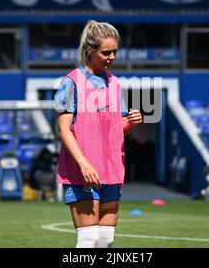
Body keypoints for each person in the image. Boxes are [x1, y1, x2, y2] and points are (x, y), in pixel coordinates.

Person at [54, 20, 143, 248]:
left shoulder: (115, 84)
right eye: (106, 52)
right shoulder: (71, 82)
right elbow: (64, 129)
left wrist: (132, 123)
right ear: (89, 51)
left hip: (112, 169)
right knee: (88, 239)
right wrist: (84, 164)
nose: (112, 57)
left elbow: (118, 129)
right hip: (82, 171)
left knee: (105, 240)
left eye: (115, 51)